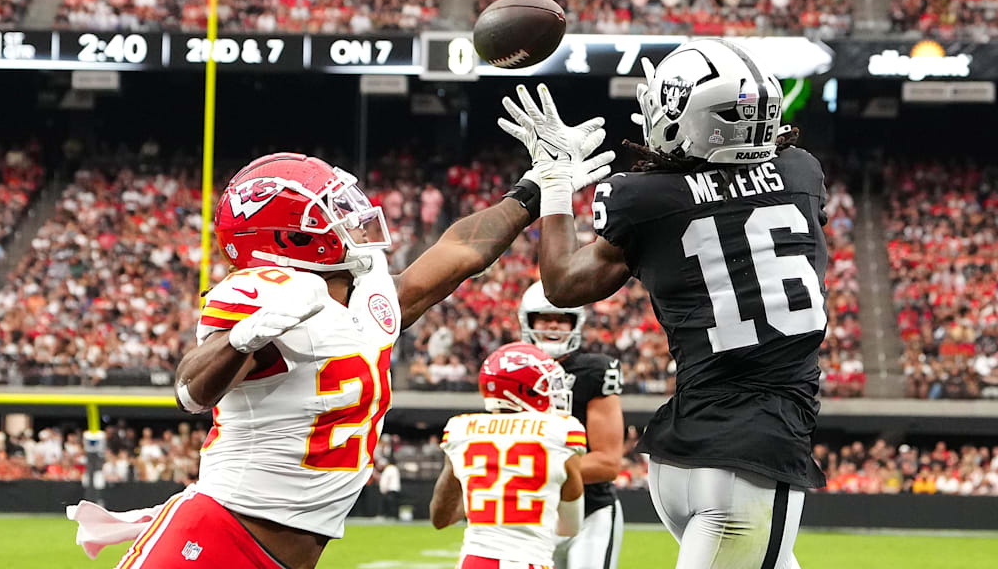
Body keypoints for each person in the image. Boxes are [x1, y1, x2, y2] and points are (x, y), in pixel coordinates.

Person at [70, 146, 614, 569]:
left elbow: (458, 255)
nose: (352, 219)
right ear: (288, 235)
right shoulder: (262, 293)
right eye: (332, 212)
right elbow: (191, 389)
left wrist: (532, 193)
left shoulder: (363, 300)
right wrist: (242, 338)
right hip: (220, 536)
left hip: (283, 551)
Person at [501, 39, 828, 568]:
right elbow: (741, 190)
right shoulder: (801, 175)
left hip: (681, 454)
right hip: (752, 454)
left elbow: (561, 284)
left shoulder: (644, 199)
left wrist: (557, 185)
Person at [430, 342, 587, 569]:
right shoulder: (561, 431)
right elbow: (570, 527)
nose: (554, 392)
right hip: (528, 561)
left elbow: (440, 518)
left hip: (473, 562)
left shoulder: (461, 430)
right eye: (546, 385)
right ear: (522, 390)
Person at [518, 282, 626, 569]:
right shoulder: (512, 371)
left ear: (575, 324)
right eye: (544, 318)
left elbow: (607, 463)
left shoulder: (595, 370)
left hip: (590, 512)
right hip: (533, 517)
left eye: (562, 319)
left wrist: (533, 468)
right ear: (528, 321)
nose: (553, 326)